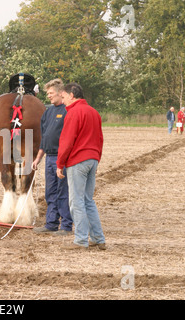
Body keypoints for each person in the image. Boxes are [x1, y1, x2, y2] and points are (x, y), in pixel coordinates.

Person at [56, 83, 106, 250]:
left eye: (63, 97)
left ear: (71, 95)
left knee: (76, 201)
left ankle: (81, 240)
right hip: (92, 159)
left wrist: (60, 164)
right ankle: (98, 238)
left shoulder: (73, 113)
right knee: (88, 200)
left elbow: (66, 141)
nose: (62, 102)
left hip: (77, 161)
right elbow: (100, 139)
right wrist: (96, 159)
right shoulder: (94, 112)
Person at [32, 79, 73, 235]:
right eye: (47, 93)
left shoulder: (68, 110)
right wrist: (38, 158)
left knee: (63, 191)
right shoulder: (48, 112)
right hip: (49, 157)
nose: (48, 96)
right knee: (50, 192)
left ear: (60, 93)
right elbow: (45, 138)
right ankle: (51, 223)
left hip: (62, 158)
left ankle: (66, 226)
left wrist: (63, 159)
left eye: (50, 93)